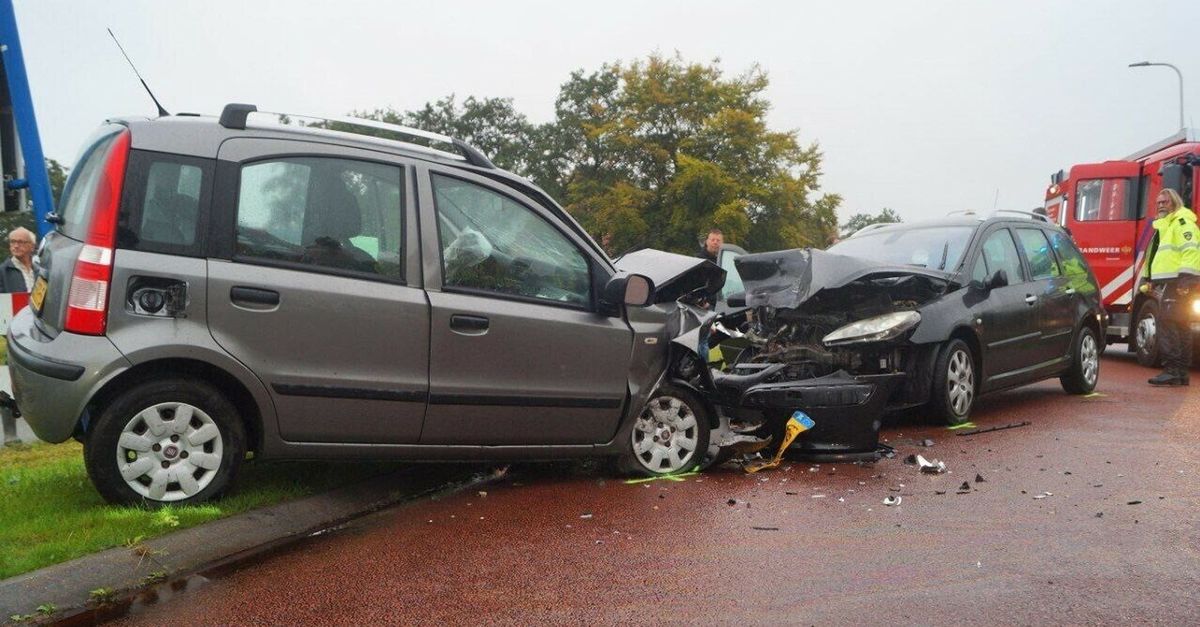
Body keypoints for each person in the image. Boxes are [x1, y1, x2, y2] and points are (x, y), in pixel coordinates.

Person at [1142, 188, 1199, 386]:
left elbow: (1191, 252)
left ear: (1174, 202)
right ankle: (1181, 372)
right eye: (1158, 203)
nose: (1160, 206)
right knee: (1181, 325)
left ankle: (1173, 370)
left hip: (1179, 282)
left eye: (1164, 202)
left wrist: (1185, 280)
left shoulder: (1182, 223)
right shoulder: (1168, 225)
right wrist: (1150, 278)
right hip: (1176, 281)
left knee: (1168, 323)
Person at [0, 227, 37, 293]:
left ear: (32, 247)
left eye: (21, 242)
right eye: (13, 242)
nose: (16, 246)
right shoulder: (2, 271)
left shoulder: (40, 272)